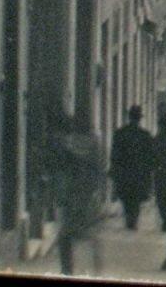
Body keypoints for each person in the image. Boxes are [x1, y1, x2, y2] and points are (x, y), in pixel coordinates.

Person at [49, 111, 104, 276]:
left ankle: (67, 270)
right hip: (85, 194)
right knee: (87, 234)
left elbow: (61, 170)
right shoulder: (94, 144)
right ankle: (94, 269)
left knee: (67, 235)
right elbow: (98, 169)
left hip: (72, 195)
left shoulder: (67, 145)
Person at [109, 105, 155, 231]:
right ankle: (133, 220)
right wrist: (148, 173)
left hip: (124, 173)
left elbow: (114, 155)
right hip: (139, 174)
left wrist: (114, 169)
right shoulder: (145, 135)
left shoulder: (120, 133)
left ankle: (130, 219)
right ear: (139, 119)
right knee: (136, 199)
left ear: (129, 117)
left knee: (126, 197)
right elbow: (150, 157)